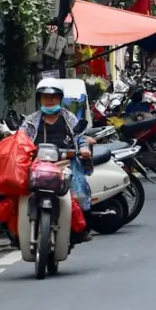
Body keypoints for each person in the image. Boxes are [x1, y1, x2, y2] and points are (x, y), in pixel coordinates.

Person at [20, 82, 93, 241]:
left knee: (80, 194)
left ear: (60, 99)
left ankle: (80, 229)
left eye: (53, 97)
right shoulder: (30, 121)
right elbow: (21, 138)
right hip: (37, 164)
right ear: (40, 99)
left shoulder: (70, 118)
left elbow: (80, 137)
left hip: (67, 163)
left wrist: (83, 149)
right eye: (46, 97)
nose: (50, 100)